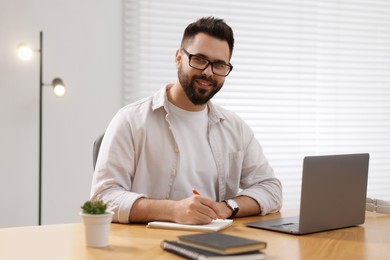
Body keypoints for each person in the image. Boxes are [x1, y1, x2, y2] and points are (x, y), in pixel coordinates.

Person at [91, 17, 282, 224]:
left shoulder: (236, 128)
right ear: (178, 58)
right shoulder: (130, 120)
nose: (208, 72)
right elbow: (103, 198)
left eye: (219, 65)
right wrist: (172, 210)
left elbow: (271, 189)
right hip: (148, 247)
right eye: (199, 59)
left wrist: (227, 207)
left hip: (217, 245)